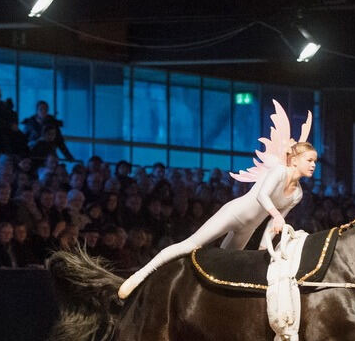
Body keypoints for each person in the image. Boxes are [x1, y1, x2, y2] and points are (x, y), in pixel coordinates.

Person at [118, 101, 316, 299]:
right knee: (190, 245)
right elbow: (261, 195)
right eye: (309, 160)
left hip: (248, 228)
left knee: (225, 265)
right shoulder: (279, 171)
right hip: (234, 214)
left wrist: (263, 250)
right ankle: (139, 276)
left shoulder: (297, 194)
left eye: (314, 161)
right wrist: (276, 215)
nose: (313, 165)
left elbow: (273, 225)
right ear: (295, 160)